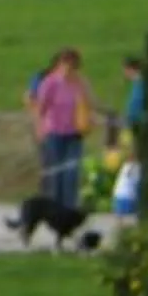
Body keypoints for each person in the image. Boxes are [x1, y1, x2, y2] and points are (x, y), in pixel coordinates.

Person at [28, 47, 95, 215]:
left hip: (75, 133)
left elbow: (89, 103)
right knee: (57, 173)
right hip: (54, 132)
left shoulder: (80, 82)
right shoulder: (50, 83)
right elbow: (41, 108)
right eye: (66, 64)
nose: (69, 69)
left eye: (73, 65)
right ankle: (54, 210)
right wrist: (39, 128)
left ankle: (69, 208)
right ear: (59, 64)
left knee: (71, 173)